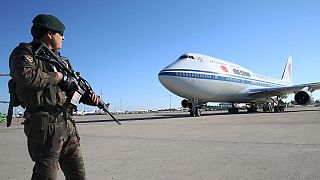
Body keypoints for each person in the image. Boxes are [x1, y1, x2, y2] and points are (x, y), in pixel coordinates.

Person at [9, 14, 98, 179]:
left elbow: (72, 89)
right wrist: (58, 77)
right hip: (44, 126)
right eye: (60, 34)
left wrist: (88, 98)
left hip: (66, 123)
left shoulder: (62, 61)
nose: (63, 38)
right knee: (46, 175)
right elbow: (25, 76)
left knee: (78, 174)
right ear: (49, 34)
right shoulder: (24, 52)